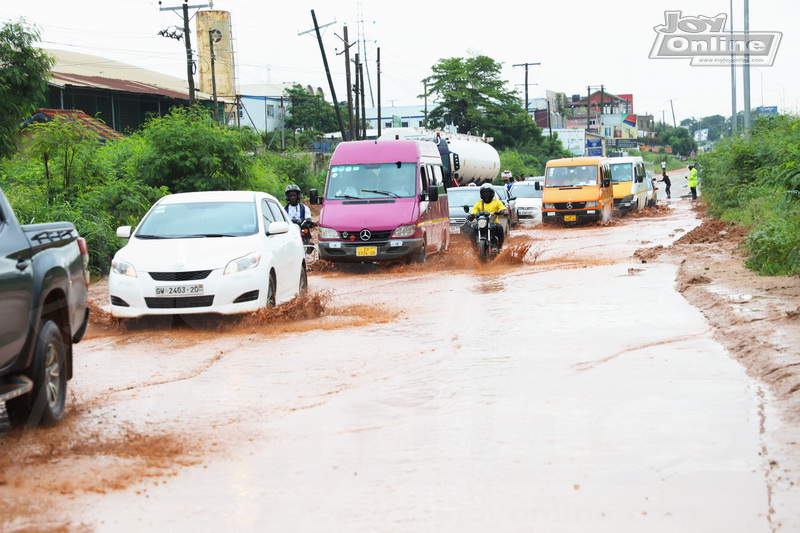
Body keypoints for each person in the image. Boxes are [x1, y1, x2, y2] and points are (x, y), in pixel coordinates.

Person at [461, 184, 508, 249]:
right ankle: (475, 248)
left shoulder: (497, 202)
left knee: (500, 228)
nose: (486, 195)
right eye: (484, 193)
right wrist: (471, 216)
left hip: (493, 223)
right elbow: (473, 212)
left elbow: (504, 209)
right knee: (472, 231)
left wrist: (503, 212)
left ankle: (500, 246)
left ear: (492, 193)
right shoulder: (478, 203)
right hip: (481, 223)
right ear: (481, 194)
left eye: (488, 193)